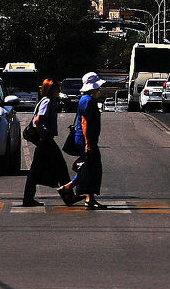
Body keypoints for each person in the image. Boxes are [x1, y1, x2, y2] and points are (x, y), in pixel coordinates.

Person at [57, 72, 107, 210]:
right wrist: (88, 143)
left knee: (90, 167)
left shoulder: (88, 99)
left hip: (86, 139)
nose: (99, 90)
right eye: (97, 87)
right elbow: (85, 123)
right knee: (92, 167)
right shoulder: (87, 101)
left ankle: (89, 198)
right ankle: (69, 188)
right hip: (85, 139)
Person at [22, 78, 68, 207]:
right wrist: (42, 137)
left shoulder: (50, 101)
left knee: (36, 170)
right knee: (60, 165)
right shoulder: (47, 102)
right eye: (56, 89)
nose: (59, 91)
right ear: (50, 90)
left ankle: (28, 198)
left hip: (45, 139)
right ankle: (68, 196)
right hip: (45, 139)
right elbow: (37, 121)